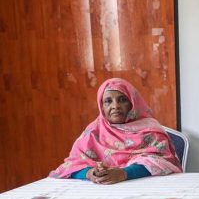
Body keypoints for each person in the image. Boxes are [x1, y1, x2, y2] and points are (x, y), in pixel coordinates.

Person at [50, 78, 182, 184]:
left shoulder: (151, 130)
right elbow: (71, 165)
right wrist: (90, 173)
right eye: (108, 101)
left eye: (122, 100)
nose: (115, 106)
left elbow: (165, 162)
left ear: (133, 103)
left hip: (144, 191)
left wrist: (124, 173)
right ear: (102, 107)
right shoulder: (93, 132)